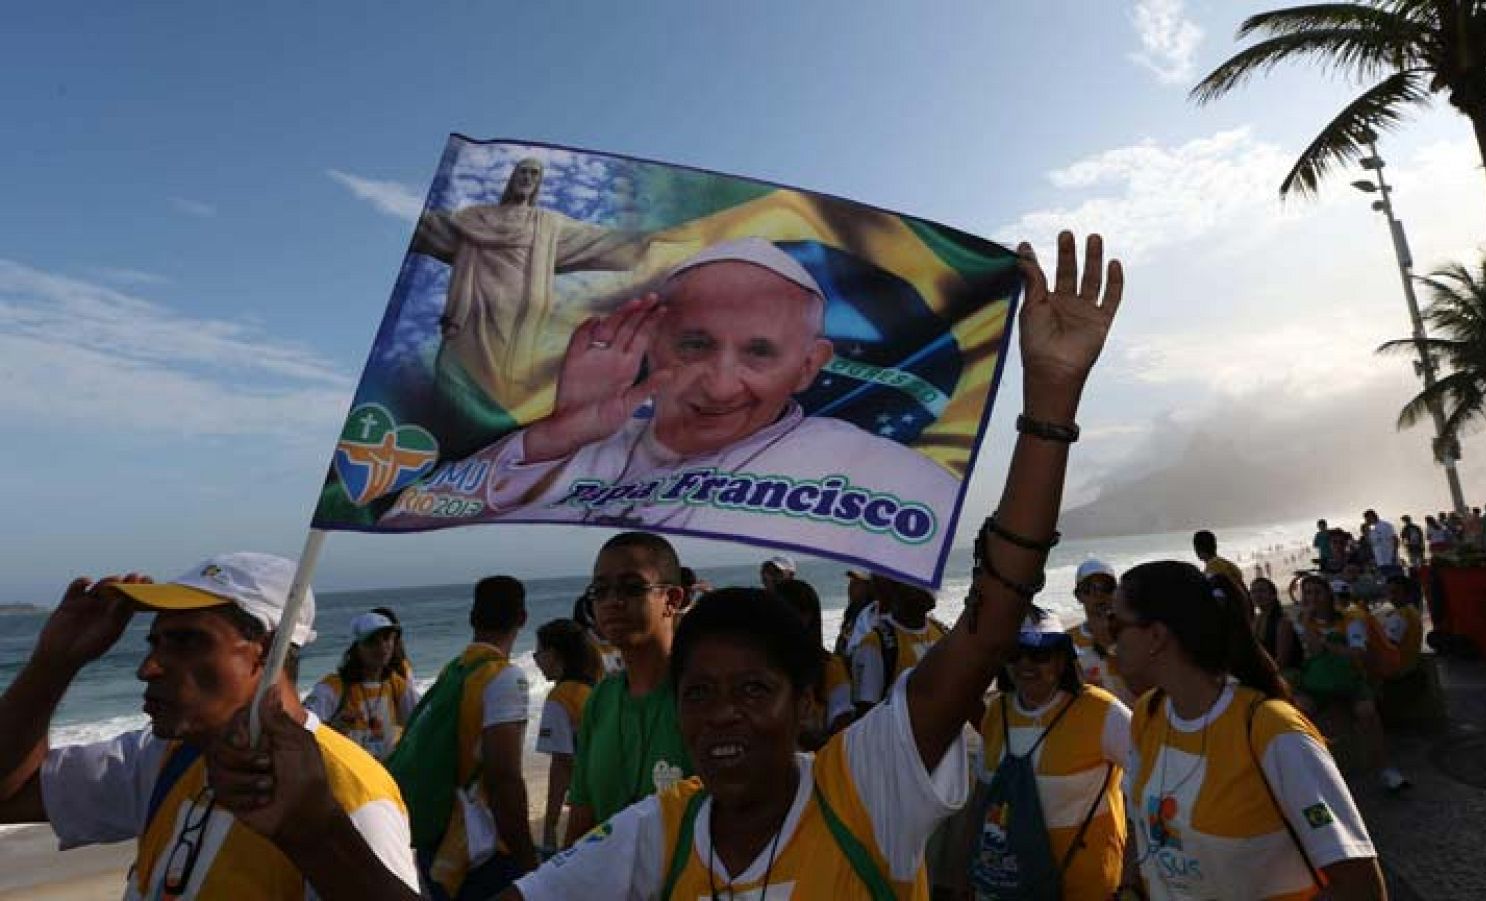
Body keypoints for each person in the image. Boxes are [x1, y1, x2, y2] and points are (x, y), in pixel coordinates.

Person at [196, 227, 1124, 901]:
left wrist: (1049, 397)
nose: (719, 380)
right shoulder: (660, 831)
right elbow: (421, 492)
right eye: (693, 345)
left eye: (752, 692)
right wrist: (316, 833)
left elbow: (992, 615)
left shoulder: (862, 784)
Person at [383, 238, 960, 578]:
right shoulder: (588, 442)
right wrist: (556, 433)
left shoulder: (881, 471)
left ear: (809, 365)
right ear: (654, 342)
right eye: (695, 345)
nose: (720, 384)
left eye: (760, 353)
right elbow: (404, 514)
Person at [0, 553, 419, 898]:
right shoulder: (168, 756)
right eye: (155, 643)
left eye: (185, 642)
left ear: (267, 650)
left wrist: (317, 837)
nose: (149, 668)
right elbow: (9, 792)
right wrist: (52, 663)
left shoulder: (349, 795)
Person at [1110, 561, 1384, 900]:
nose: (1106, 638)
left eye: (1115, 624)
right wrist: (1129, 886)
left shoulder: (1272, 730)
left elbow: (1358, 881)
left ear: (1155, 636)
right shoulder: (1147, 714)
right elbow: (1140, 823)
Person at [412, 156, 650, 422]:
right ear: (513, 177)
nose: (527, 178)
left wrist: (649, 244)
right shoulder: (476, 220)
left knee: (505, 384)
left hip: (517, 320)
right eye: (522, 172)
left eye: (534, 174)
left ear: (538, 184)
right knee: (457, 376)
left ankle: (485, 444)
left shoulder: (547, 225)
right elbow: (430, 229)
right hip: (472, 313)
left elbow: (596, 241)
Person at [964, 611, 1130, 900]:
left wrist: (1134, 879)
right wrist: (963, 871)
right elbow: (982, 797)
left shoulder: (1101, 712)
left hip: (1085, 888)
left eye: (1039, 654)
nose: (1026, 664)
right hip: (1003, 886)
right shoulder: (995, 713)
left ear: (1062, 660)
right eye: (1016, 653)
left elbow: (1151, 779)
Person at [563, 531, 695, 844]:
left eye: (632, 588)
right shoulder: (601, 700)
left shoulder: (700, 695)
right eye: (600, 590)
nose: (612, 602)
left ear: (672, 600)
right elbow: (582, 819)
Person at [414, 575, 537, 900]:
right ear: (522, 618)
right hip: (482, 845)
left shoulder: (453, 671)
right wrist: (527, 859)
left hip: (441, 835)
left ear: (472, 618)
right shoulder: (505, 678)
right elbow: (503, 778)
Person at [1293, 575, 1409, 793]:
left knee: (1367, 711)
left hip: (1349, 680)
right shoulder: (1300, 623)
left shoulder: (1350, 620)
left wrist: (1329, 644)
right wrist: (1315, 630)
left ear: (1328, 595)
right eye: (1307, 593)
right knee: (1300, 712)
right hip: (1316, 683)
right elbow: (1316, 650)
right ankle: (1312, 773)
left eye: (1317, 592)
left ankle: (1384, 768)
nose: (1312, 598)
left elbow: (1358, 652)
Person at [305, 609, 421, 760]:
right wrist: (330, 730)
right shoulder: (333, 688)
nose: (382, 646)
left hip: (387, 775)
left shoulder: (395, 684)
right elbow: (303, 728)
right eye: (372, 640)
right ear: (357, 648)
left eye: (387, 638)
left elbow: (421, 720)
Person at [531, 618, 603, 855]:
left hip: (588, 802)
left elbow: (562, 764)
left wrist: (550, 823)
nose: (536, 661)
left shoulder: (560, 699)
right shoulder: (599, 688)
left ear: (553, 654)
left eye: (537, 653)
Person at [850, 574, 949, 714]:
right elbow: (865, 711)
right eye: (915, 585)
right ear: (897, 591)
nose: (929, 591)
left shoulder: (941, 633)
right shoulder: (875, 644)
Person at [772, 579, 855, 746]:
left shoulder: (830, 666)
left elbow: (842, 730)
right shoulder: (761, 666)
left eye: (777, 612)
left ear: (806, 616)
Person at [1071, 559, 1137, 705]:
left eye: (1106, 587)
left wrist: (1111, 648)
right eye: (1089, 588)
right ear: (1078, 595)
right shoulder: (1068, 640)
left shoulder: (1135, 633)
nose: (1098, 594)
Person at [1250, 576, 1304, 680]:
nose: (1257, 595)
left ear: (1273, 595)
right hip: (1268, 670)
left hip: (1286, 673)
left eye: (1262, 591)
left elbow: (1283, 660)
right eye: (1253, 592)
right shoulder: (1257, 620)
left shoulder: (1282, 622)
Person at [834, 568, 878, 657]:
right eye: (851, 582)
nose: (850, 587)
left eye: (857, 583)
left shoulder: (871, 614)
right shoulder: (852, 611)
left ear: (869, 587)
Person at [1191, 530, 1245, 594]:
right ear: (1215, 546)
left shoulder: (1212, 569)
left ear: (1197, 549)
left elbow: (1219, 596)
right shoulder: (1229, 564)